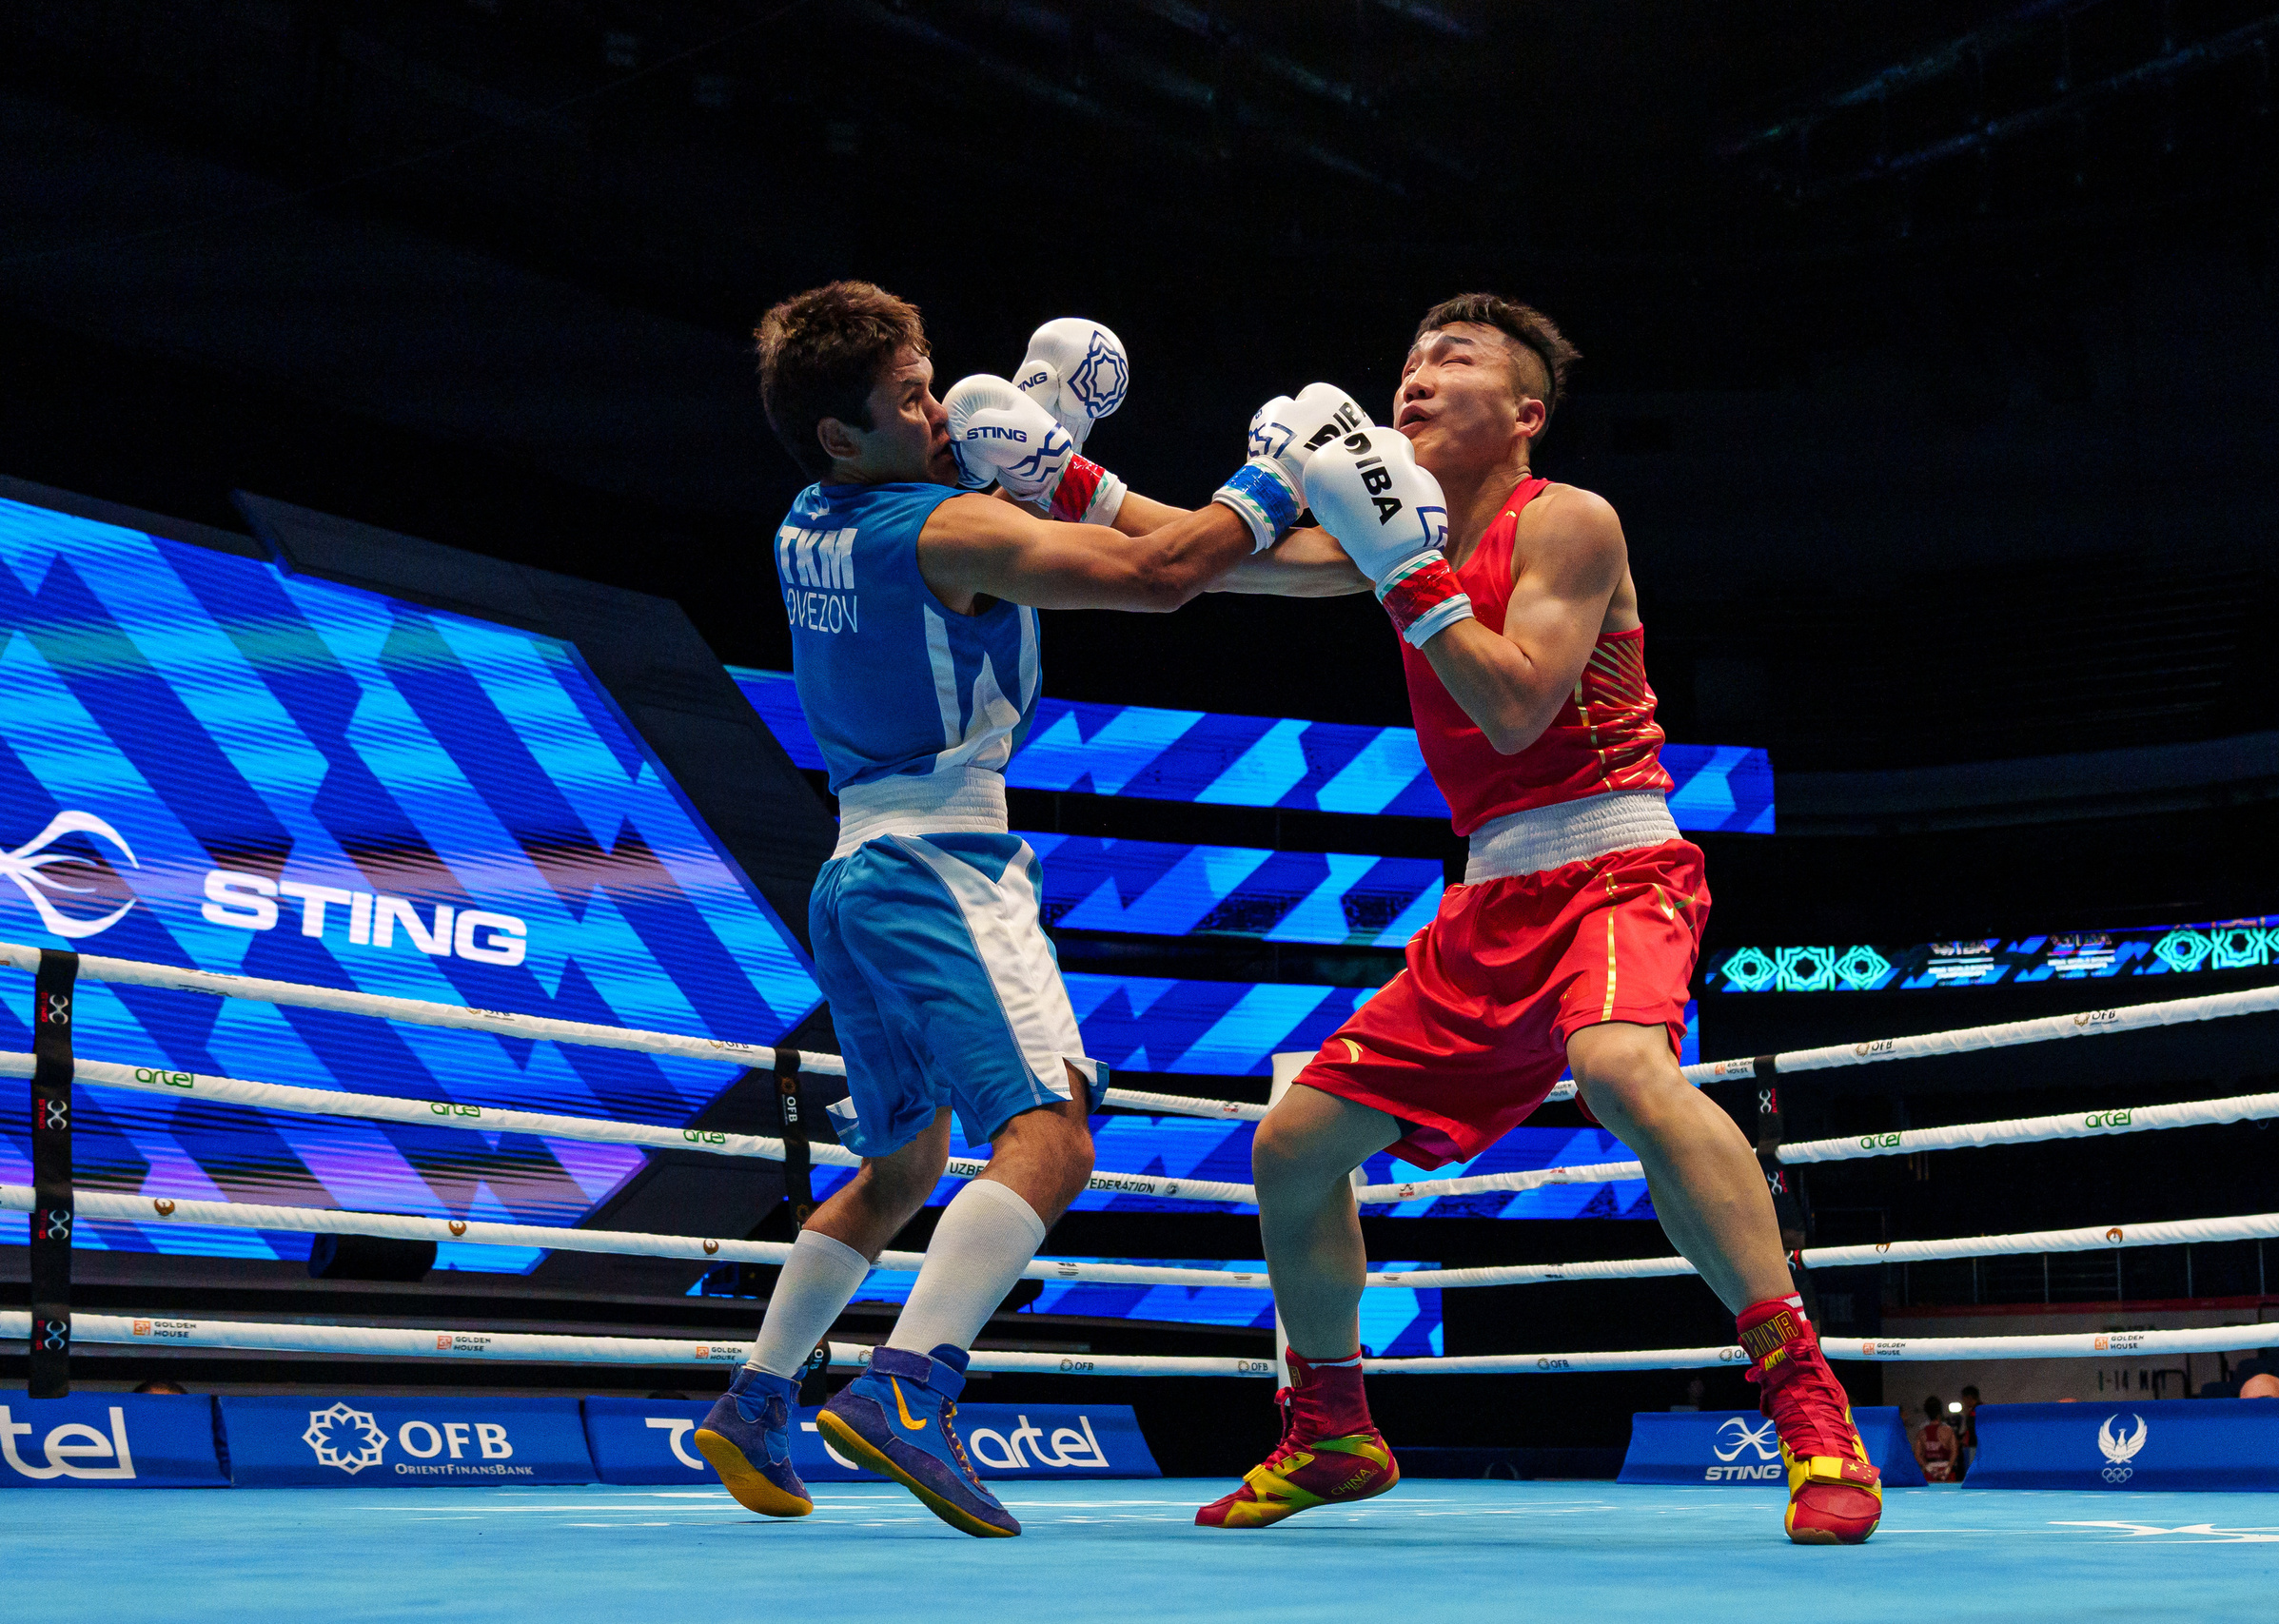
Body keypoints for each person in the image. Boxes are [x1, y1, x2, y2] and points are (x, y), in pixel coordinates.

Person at [1195, 295, 1880, 1544]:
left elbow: (1515, 708)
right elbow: (1187, 566)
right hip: (1490, 892)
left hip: (1617, 856)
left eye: (1451, 360)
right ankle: (1335, 1426)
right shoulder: (1388, 534)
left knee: (1619, 1063)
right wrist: (1054, 485)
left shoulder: (1566, 519)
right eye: (1404, 360)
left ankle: (1811, 1407)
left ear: (1524, 412)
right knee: (1293, 1148)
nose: (1414, 377)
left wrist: (1403, 569)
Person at [695, 282, 1359, 1537]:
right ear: (844, 433)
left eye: (933, 377)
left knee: (904, 1165)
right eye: (909, 399)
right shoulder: (942, 533)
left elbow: (982, 514)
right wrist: (1277, 477)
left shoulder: (809, 516)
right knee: (1053, 1134)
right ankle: (910, 1381)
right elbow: (1161, 577)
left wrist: (1043, 449)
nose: (940, 409)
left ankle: (757, 1394)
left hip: (853, 869)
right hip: (943, 864)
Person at [1914, 1397, 1960, 1483]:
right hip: (1947, 1471)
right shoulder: (1948, 1431)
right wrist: (1947, 1470)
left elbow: (1917, 1455)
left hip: (1930, 1472)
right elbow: (1955, 1451)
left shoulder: (1922, 1433)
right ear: (1940, 1411)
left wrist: (1931, 1470)